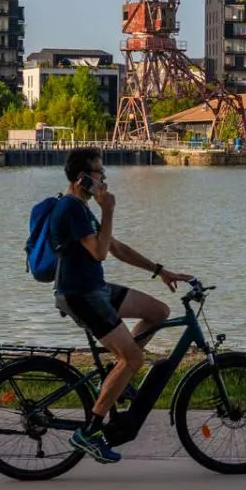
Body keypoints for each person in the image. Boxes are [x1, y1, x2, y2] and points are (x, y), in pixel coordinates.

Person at [51, 147, 192, 463]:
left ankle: (116, 375)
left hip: (96, 289)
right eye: (100, 172)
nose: (105, 178)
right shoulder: (71, 209)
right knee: (133, 358)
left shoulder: (81, 208)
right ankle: (87, 432)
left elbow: (115, 248)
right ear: (82, 177)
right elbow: (99, 254)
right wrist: (109, 210)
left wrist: (160, 271)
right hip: (80, 295)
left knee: (158, 312)